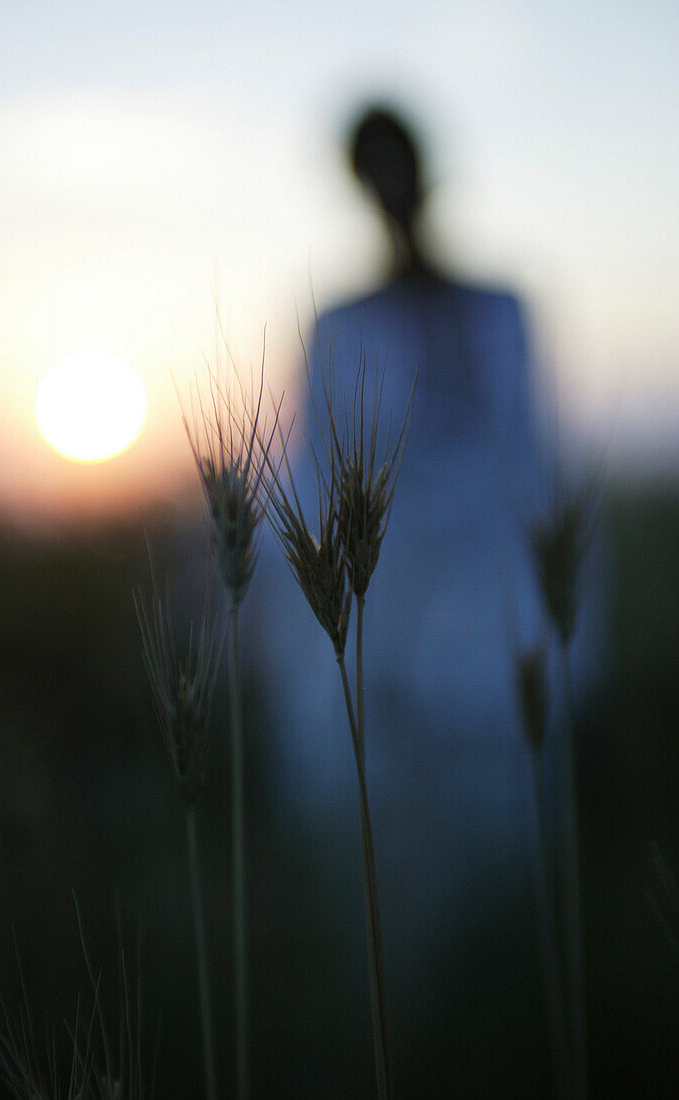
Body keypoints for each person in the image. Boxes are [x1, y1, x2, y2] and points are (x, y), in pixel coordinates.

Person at [250, 103, 605, 1088]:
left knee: (510, 920)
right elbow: (315, 483)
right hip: (386, 669)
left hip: (509, 660)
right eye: (376, 168)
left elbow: (544, 475)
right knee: (401, 931)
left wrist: (573, 642)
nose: (392, 184)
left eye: (397, 162)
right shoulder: (336, 328)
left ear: (424, 168)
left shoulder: (504, 311)